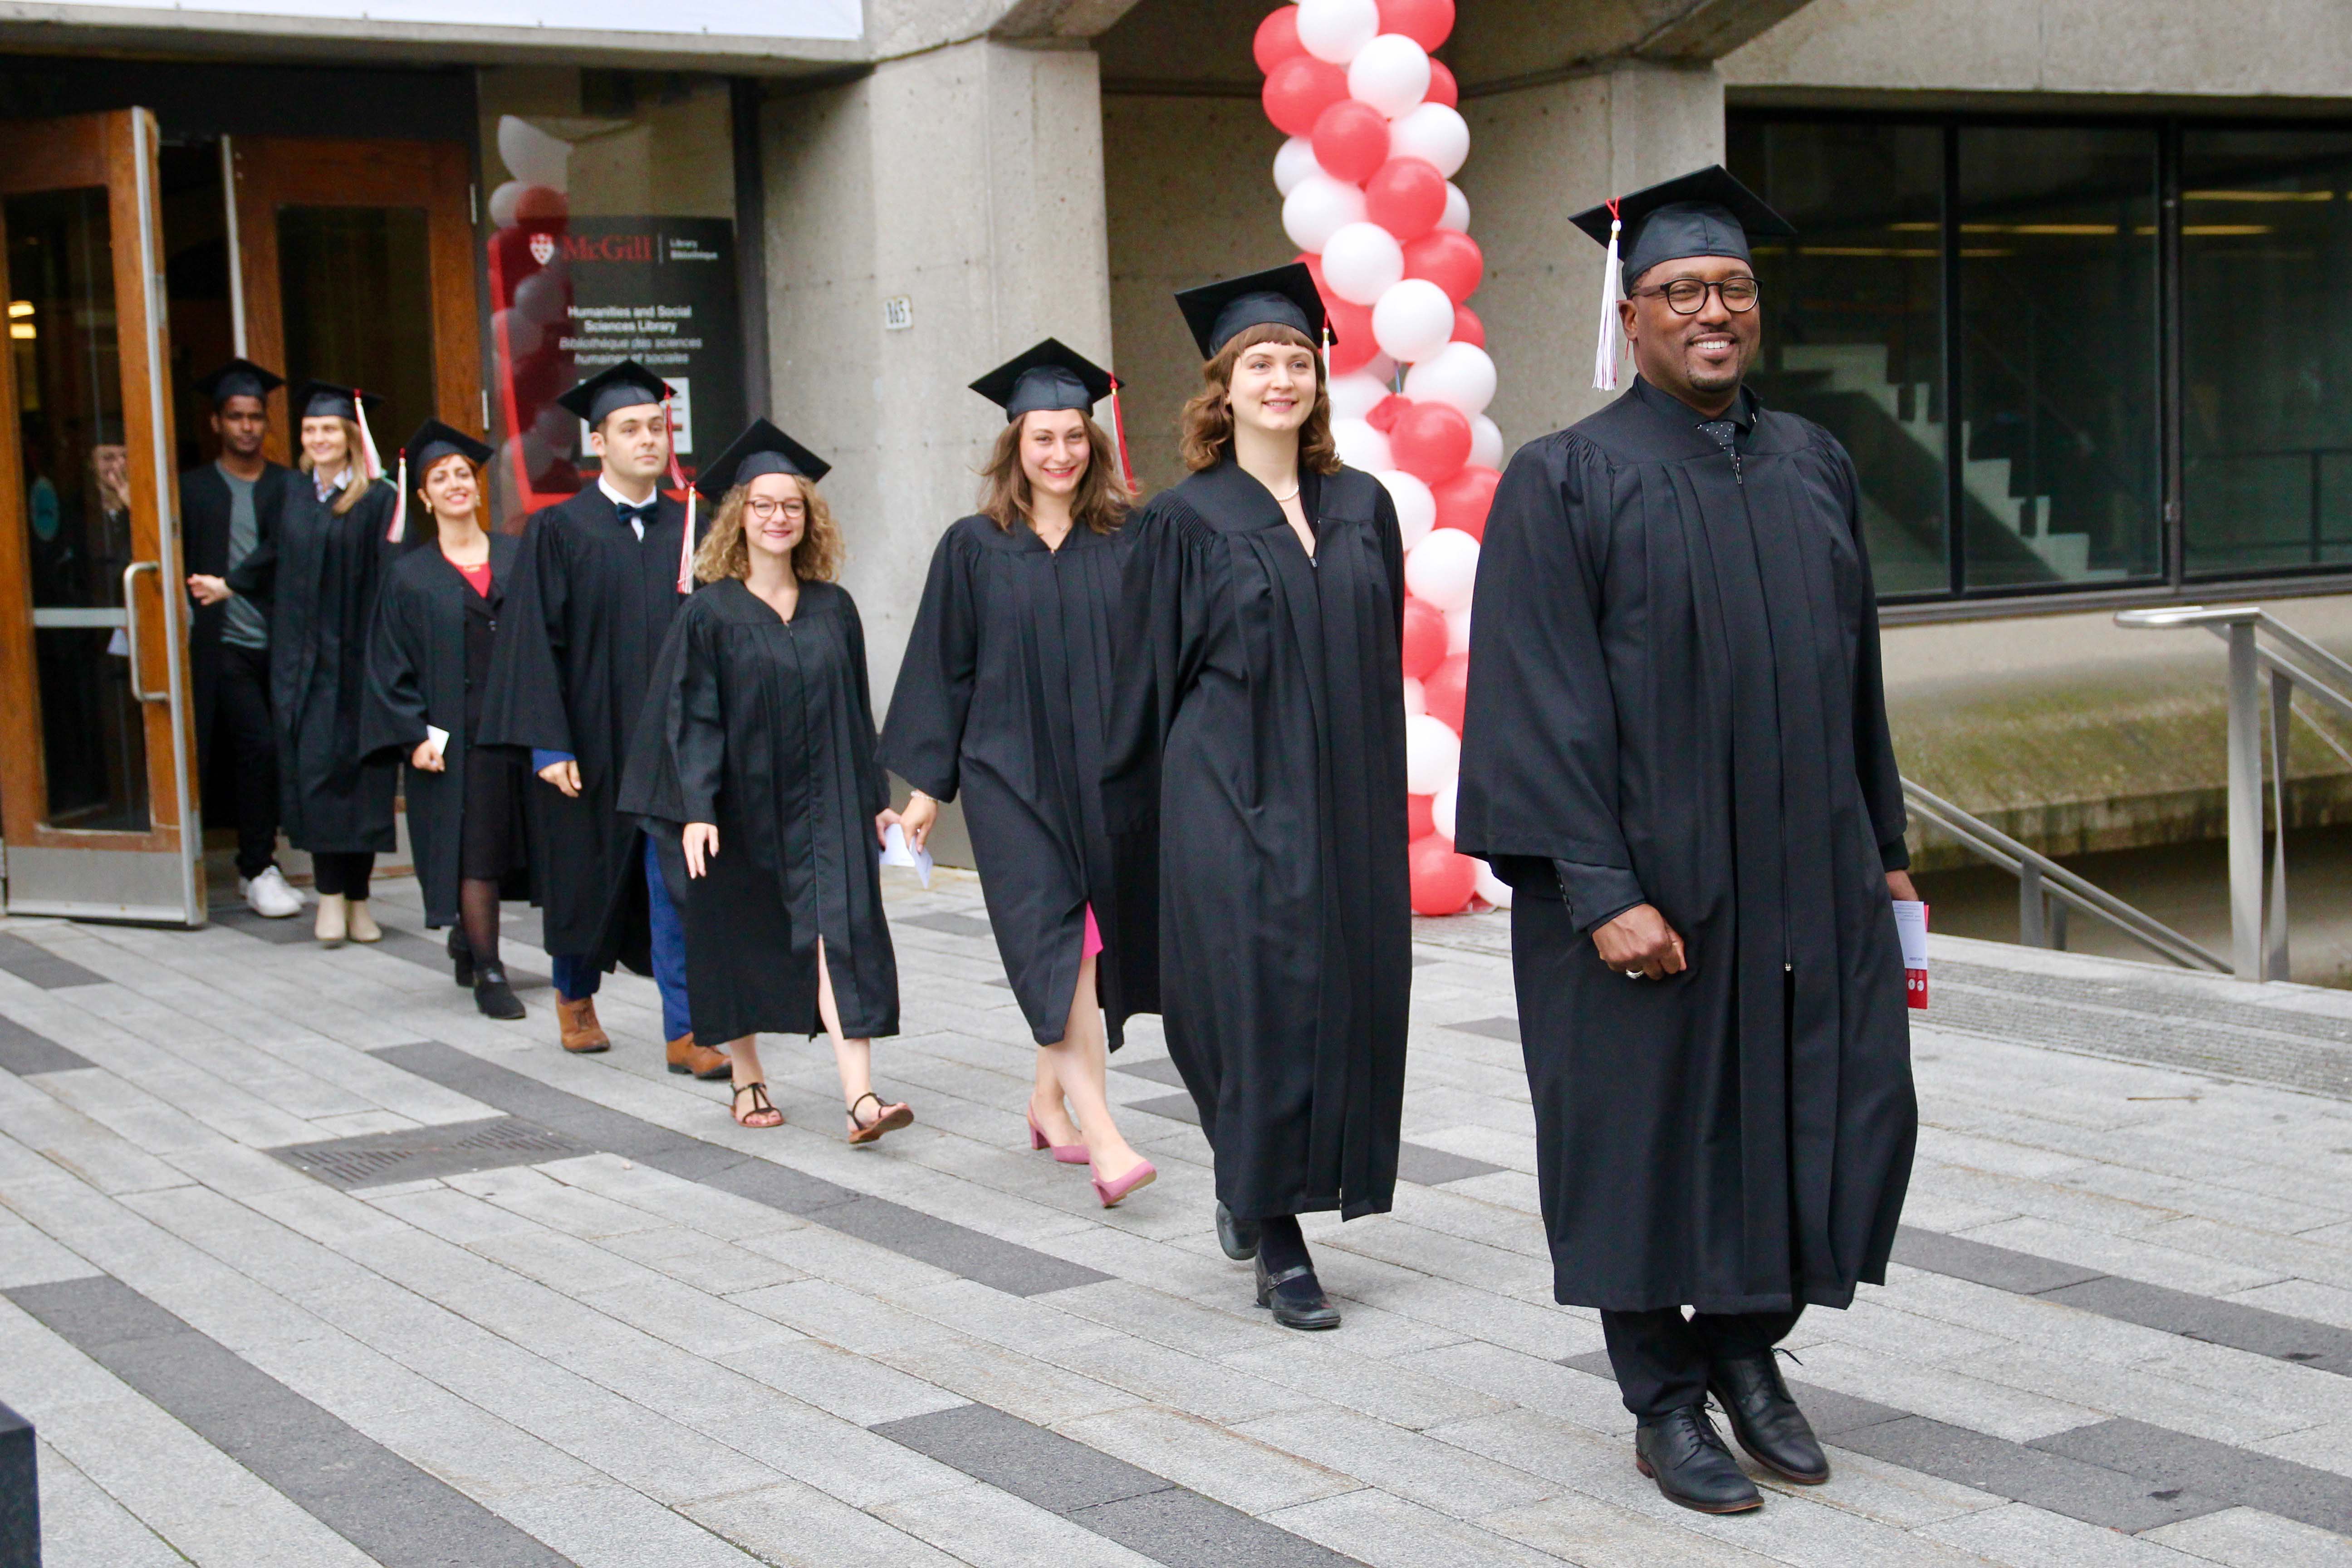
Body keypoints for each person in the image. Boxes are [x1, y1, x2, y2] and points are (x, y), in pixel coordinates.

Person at [1454, 165, 1919, 1516]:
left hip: (1803, 876)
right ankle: (1663, 1396)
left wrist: (1881, 849)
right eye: (1681, 291)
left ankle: (1748, 1347)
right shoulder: (1567, 479)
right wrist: (1599, 887)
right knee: (1645, 1130)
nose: (1712, 311)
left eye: (1733, 289)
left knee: (1802, 1110)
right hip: (1649, 892)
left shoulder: (1813, 461)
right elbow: (1535, 696)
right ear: (1634, 312)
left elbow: (1855, 678)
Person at [1102, 264, 1411, 1328]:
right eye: (1258, 363)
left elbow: (1381, 657)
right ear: (1220, 389)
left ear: (1318, 379)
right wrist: (1125, 832)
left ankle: (1258, 1177)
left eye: (1296, 360)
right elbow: (1142, 681)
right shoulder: (1182, 519)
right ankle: (1273, 1229)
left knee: (1344, 993)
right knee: (1253, 1001)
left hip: (1346, 800)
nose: (1280, 377)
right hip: (1225, 795)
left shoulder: (1363, 504)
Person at [883, 340, 1156, 1207]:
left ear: (1093, 442)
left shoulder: (1129, 539)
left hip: (1109, 778)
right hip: (1009, 779)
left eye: (1073, 436)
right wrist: (924, 793)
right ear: (1013, 447)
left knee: (1086, 951)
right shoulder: (972, 548)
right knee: (1061, 948)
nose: (1060, 454)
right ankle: (1106, 1140)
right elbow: (941, 670)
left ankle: (1048, 1102)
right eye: (1042, 438)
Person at [619, 421, 911, 1139]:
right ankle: (748, 1081)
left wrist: (876, 802)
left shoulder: (833, 609)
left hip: (831, 802)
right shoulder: (710, 614)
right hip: (739, 806)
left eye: (792, 506)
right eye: (763, 504)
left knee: (840, 938)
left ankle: (861, 1098)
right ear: (738, 516)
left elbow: (854, 714)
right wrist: (696, 808)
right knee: (737, 938)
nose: (779, 517)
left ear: (809, 519)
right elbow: (691, 718)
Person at [479, 360, 719, 1072]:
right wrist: (548, 745)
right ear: (599, 441)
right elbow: (530, 641)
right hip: (588, 738)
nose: (648, 440)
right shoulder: (560, 529)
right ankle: (574, 995)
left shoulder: (693, 528)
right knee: (582, 876)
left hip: (671, 743)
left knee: (675, 880)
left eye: (657, 427)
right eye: (631, 429)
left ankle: (688, 1028)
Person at [197, 381, 403, 946]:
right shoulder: (289, 492)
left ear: (350, 436)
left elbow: (390, 583)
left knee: (361, 784)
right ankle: (330, 898)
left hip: (358, 666)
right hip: (303, 668)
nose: (318, 438)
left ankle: (359, 901)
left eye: (329, 429)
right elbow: (269, 555)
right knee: (316, 783)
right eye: (311, 430)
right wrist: (230, 586)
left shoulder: (378, 499)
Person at [363, 421, 532, 1020]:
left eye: (464, 474)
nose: (456, 484)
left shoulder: (518, 556)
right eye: (442, 478)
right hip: (457, 741)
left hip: (521, 727)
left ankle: (468, 937)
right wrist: (412, 736)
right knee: (476, 852)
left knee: (524, 848)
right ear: (425, 497)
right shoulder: (409, 576)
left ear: (478, 489)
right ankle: (489, 967)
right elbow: (388, 664)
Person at [181, 358, 302, 918]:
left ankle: (259, 864)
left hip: (280, 644)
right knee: (256, 747)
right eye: (236, 417)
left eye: (256, 417)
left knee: (273, 751)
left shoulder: (290, 487)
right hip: (223, 645)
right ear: (216, 424)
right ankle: (257, 865)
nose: (247, 427)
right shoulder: (195, 490)